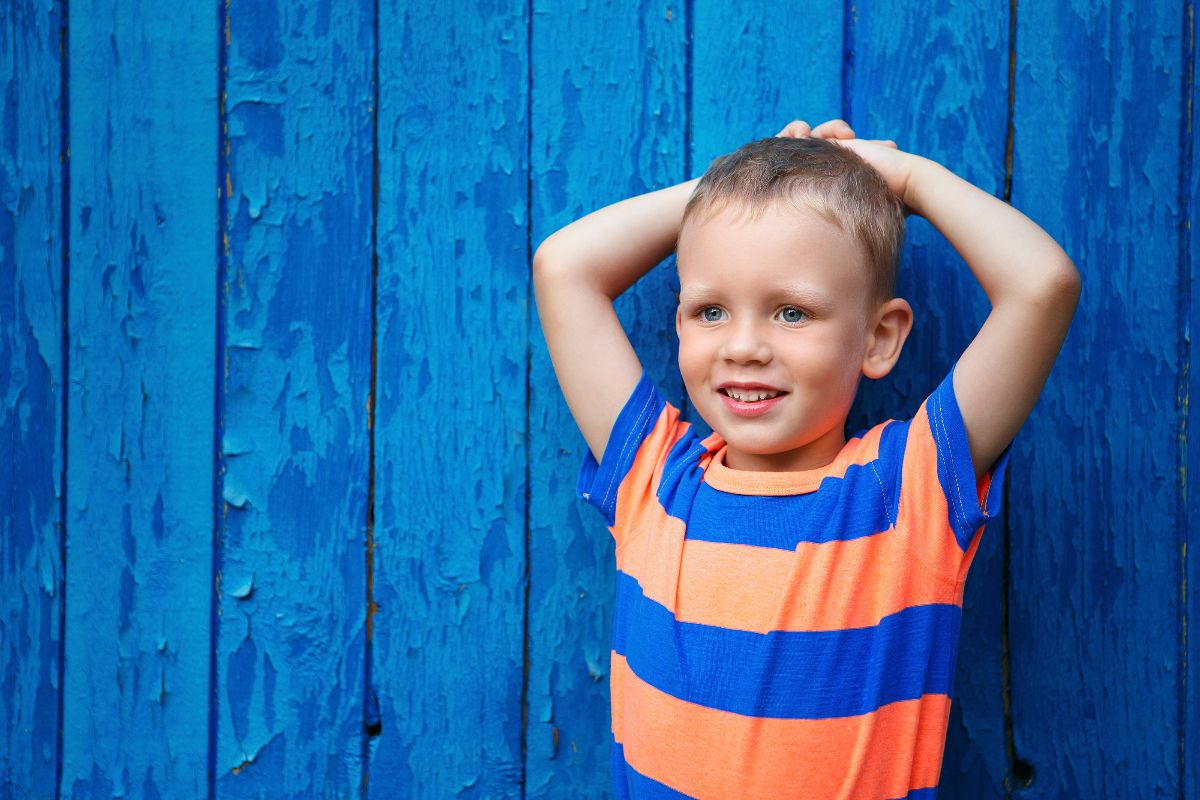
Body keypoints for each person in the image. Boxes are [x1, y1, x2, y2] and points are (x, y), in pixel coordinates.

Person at [531, 117, 1080, 799]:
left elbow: (1043, 284)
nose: (743, 346)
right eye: (710, 312)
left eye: (790, 313)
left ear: (880, 339)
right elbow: (563, 266)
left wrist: (904, 177)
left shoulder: (906, 490)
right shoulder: (654, 477)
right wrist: (745, 183)